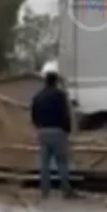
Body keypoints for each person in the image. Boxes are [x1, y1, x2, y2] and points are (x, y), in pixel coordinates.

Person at [30, 62, 77, 199]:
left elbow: (33, 115)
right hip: (58, 132)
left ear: (44, 81)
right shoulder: (60, 95)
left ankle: (45, 192)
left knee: (44, 164)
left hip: (43, 132)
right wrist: (67, 130)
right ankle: (66, 191)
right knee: (62, 162)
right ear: (56, 81)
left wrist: (39, 127)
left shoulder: (37, 97)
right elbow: (66, 113)